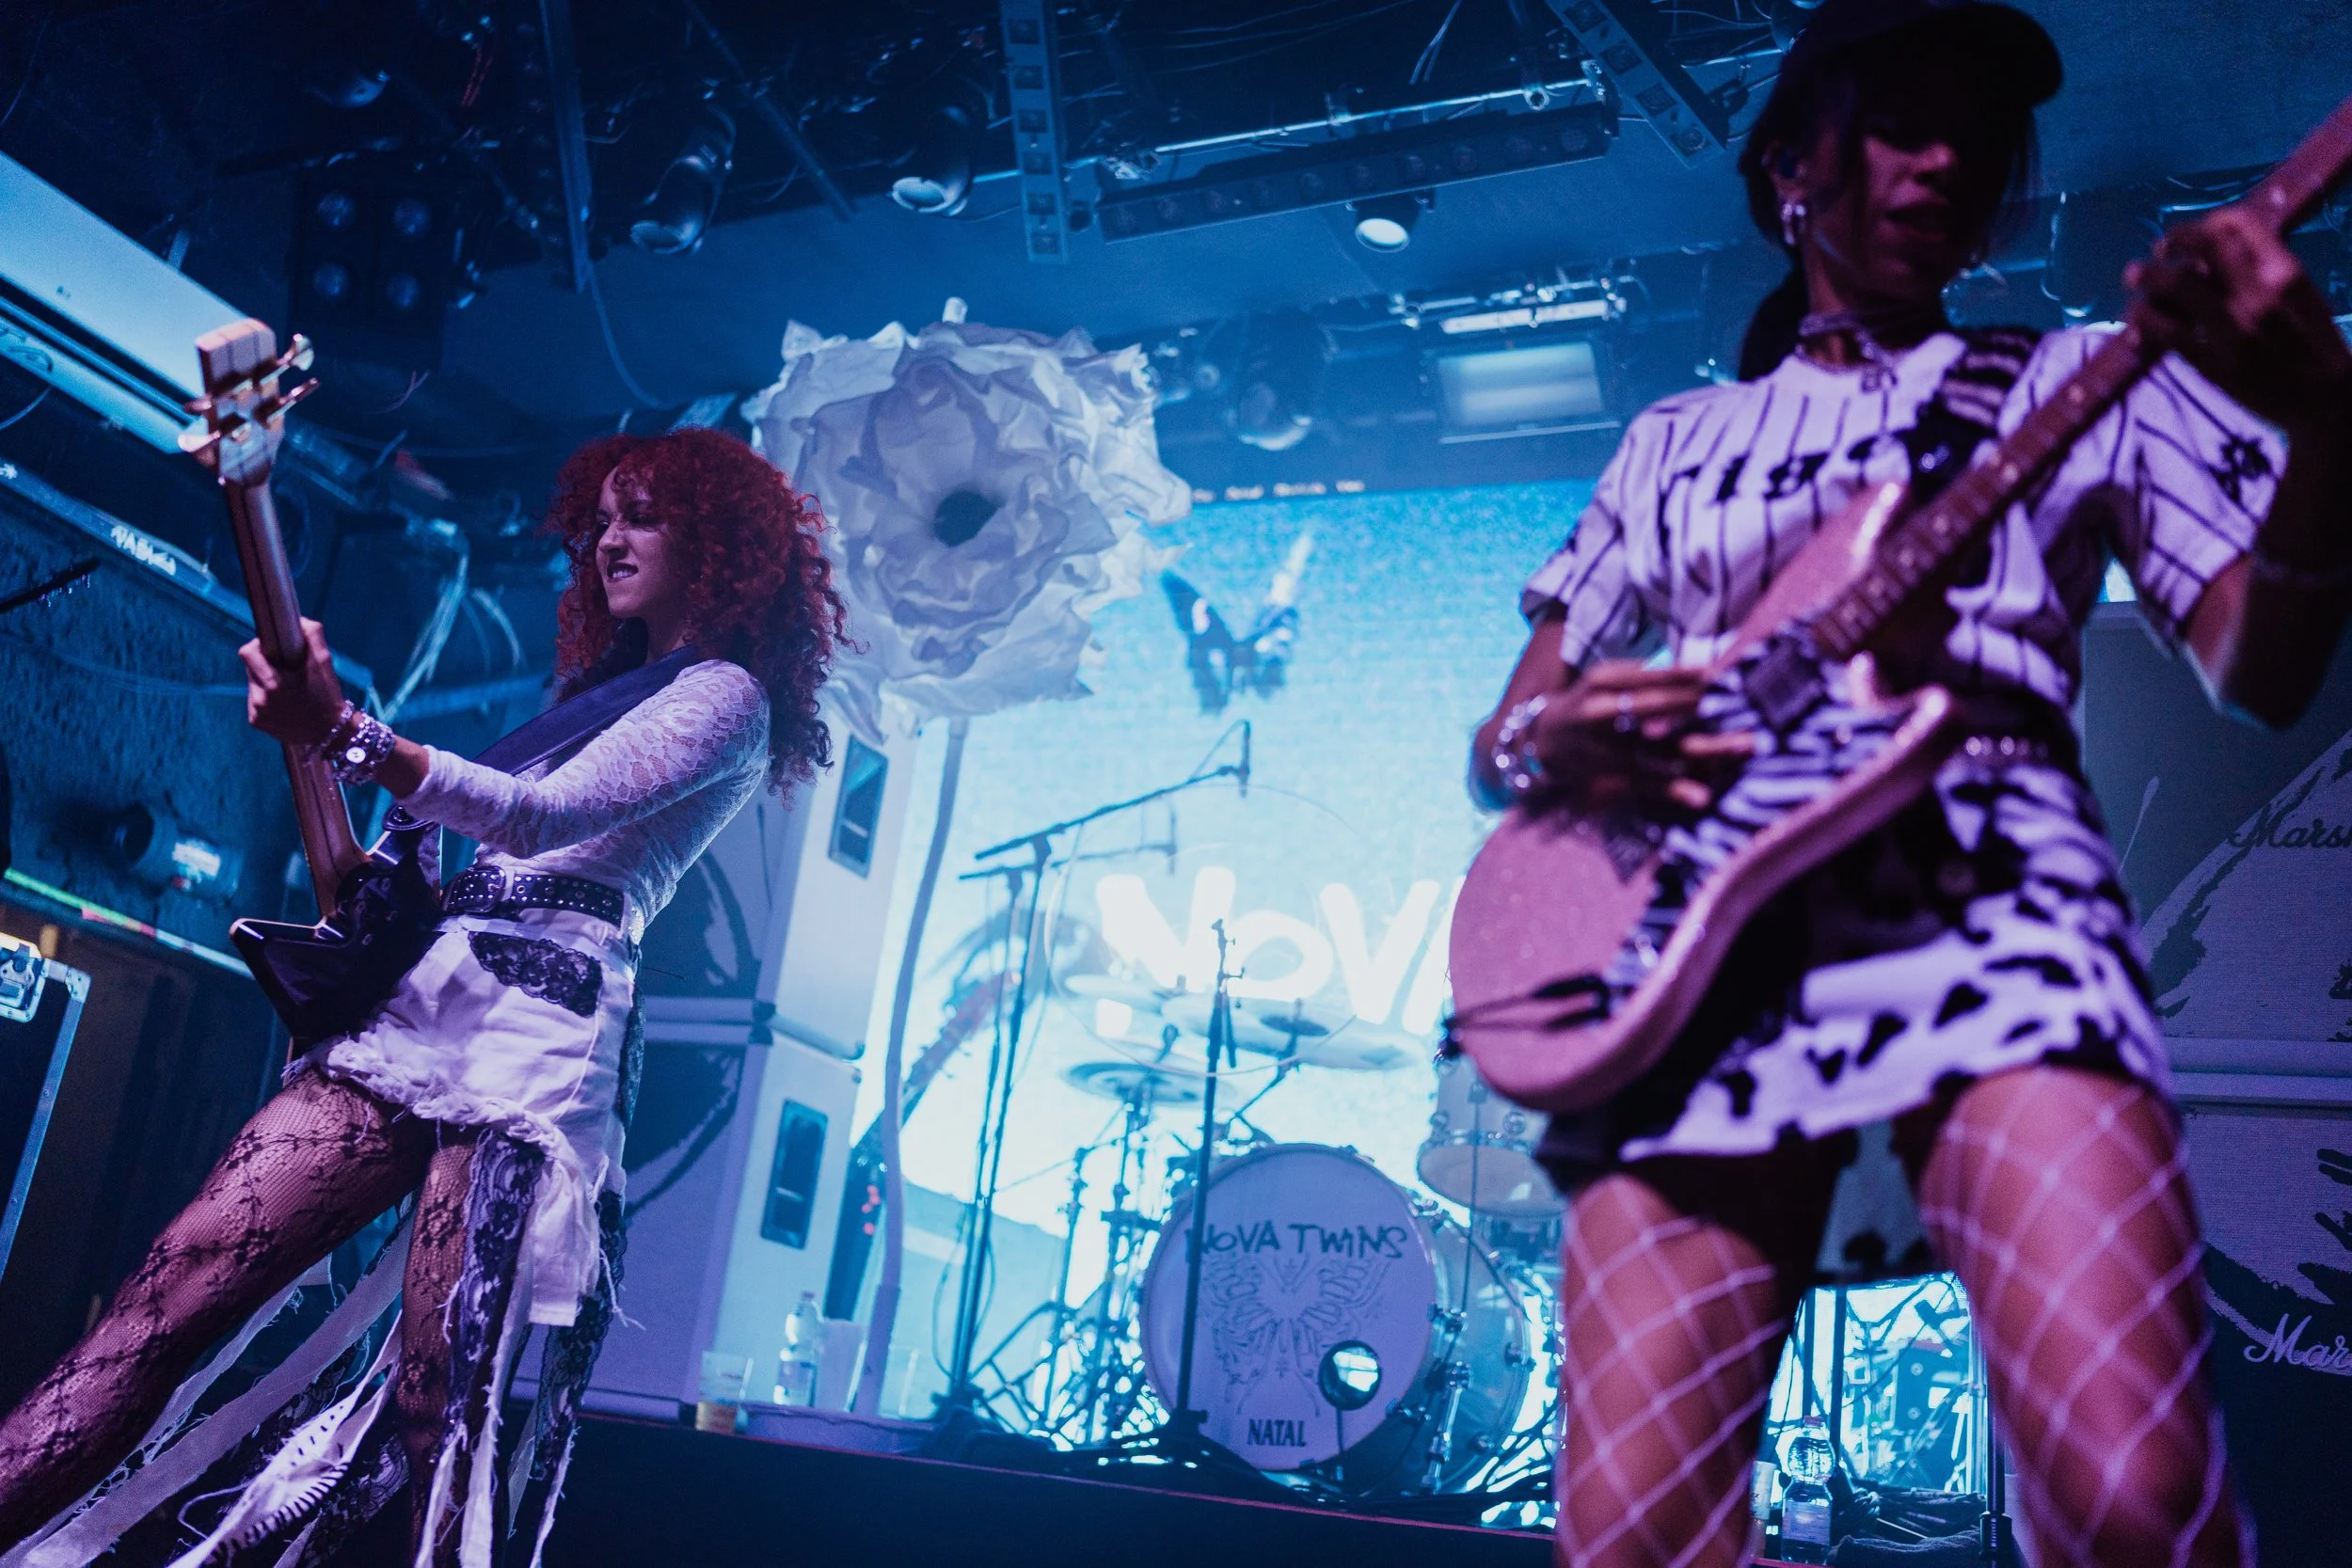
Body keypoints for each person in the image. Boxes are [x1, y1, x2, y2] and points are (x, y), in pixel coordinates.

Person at [1468, 3, 2352, 1564]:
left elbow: (2261, 670)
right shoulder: (1678, 437)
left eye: (1975, 130)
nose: (1946, 156)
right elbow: (1510, 730)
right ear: (1787, 169)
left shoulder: (2082, 375)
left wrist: (2329, 417)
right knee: (1630, 1529)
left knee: (2135, 1493)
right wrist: (1570, 736)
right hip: (1697, 957)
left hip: (1996, 900)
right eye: (1898, 119)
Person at [0, 427, 847, 1565]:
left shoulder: (728, 698)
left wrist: (349, 732)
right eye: (597, 520)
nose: (608, 539)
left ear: (719, 539)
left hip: (534, 1044)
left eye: (639, 514)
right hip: (423, 1004)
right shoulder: (589, 699)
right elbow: (390, 877)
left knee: (437, 1399)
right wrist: (316, 751)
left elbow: (537, 821)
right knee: (172, 1284)